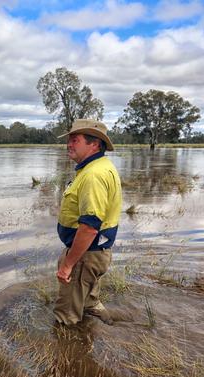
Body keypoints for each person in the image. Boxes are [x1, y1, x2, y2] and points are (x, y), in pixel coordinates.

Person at [54, 119, 122, 326]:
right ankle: (92, 311)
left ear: (94, 144)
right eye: (69, 140)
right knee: (87, 299)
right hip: (95, 253)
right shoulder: (100, 167)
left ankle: (70, 349)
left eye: (75, 140)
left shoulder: (93, 175)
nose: (69, 144)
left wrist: (68, 264)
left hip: (85, 255)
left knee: (66, 318)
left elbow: (90, 227)